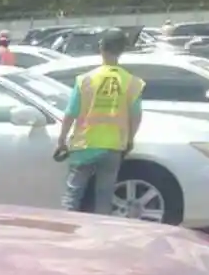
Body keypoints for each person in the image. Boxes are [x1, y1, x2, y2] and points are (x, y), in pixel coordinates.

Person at [53, 29, 145, 215]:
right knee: (104, 196)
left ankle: (66, 233)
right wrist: (129, 140)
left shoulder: (85, 80)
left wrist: (62, 139)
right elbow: (136, 116)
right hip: (113, 146)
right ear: (121, 51)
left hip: (84, 145)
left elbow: (71, 113)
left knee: (73, 194)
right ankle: (101, 237)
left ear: (101, 48)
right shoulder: (131, 82)